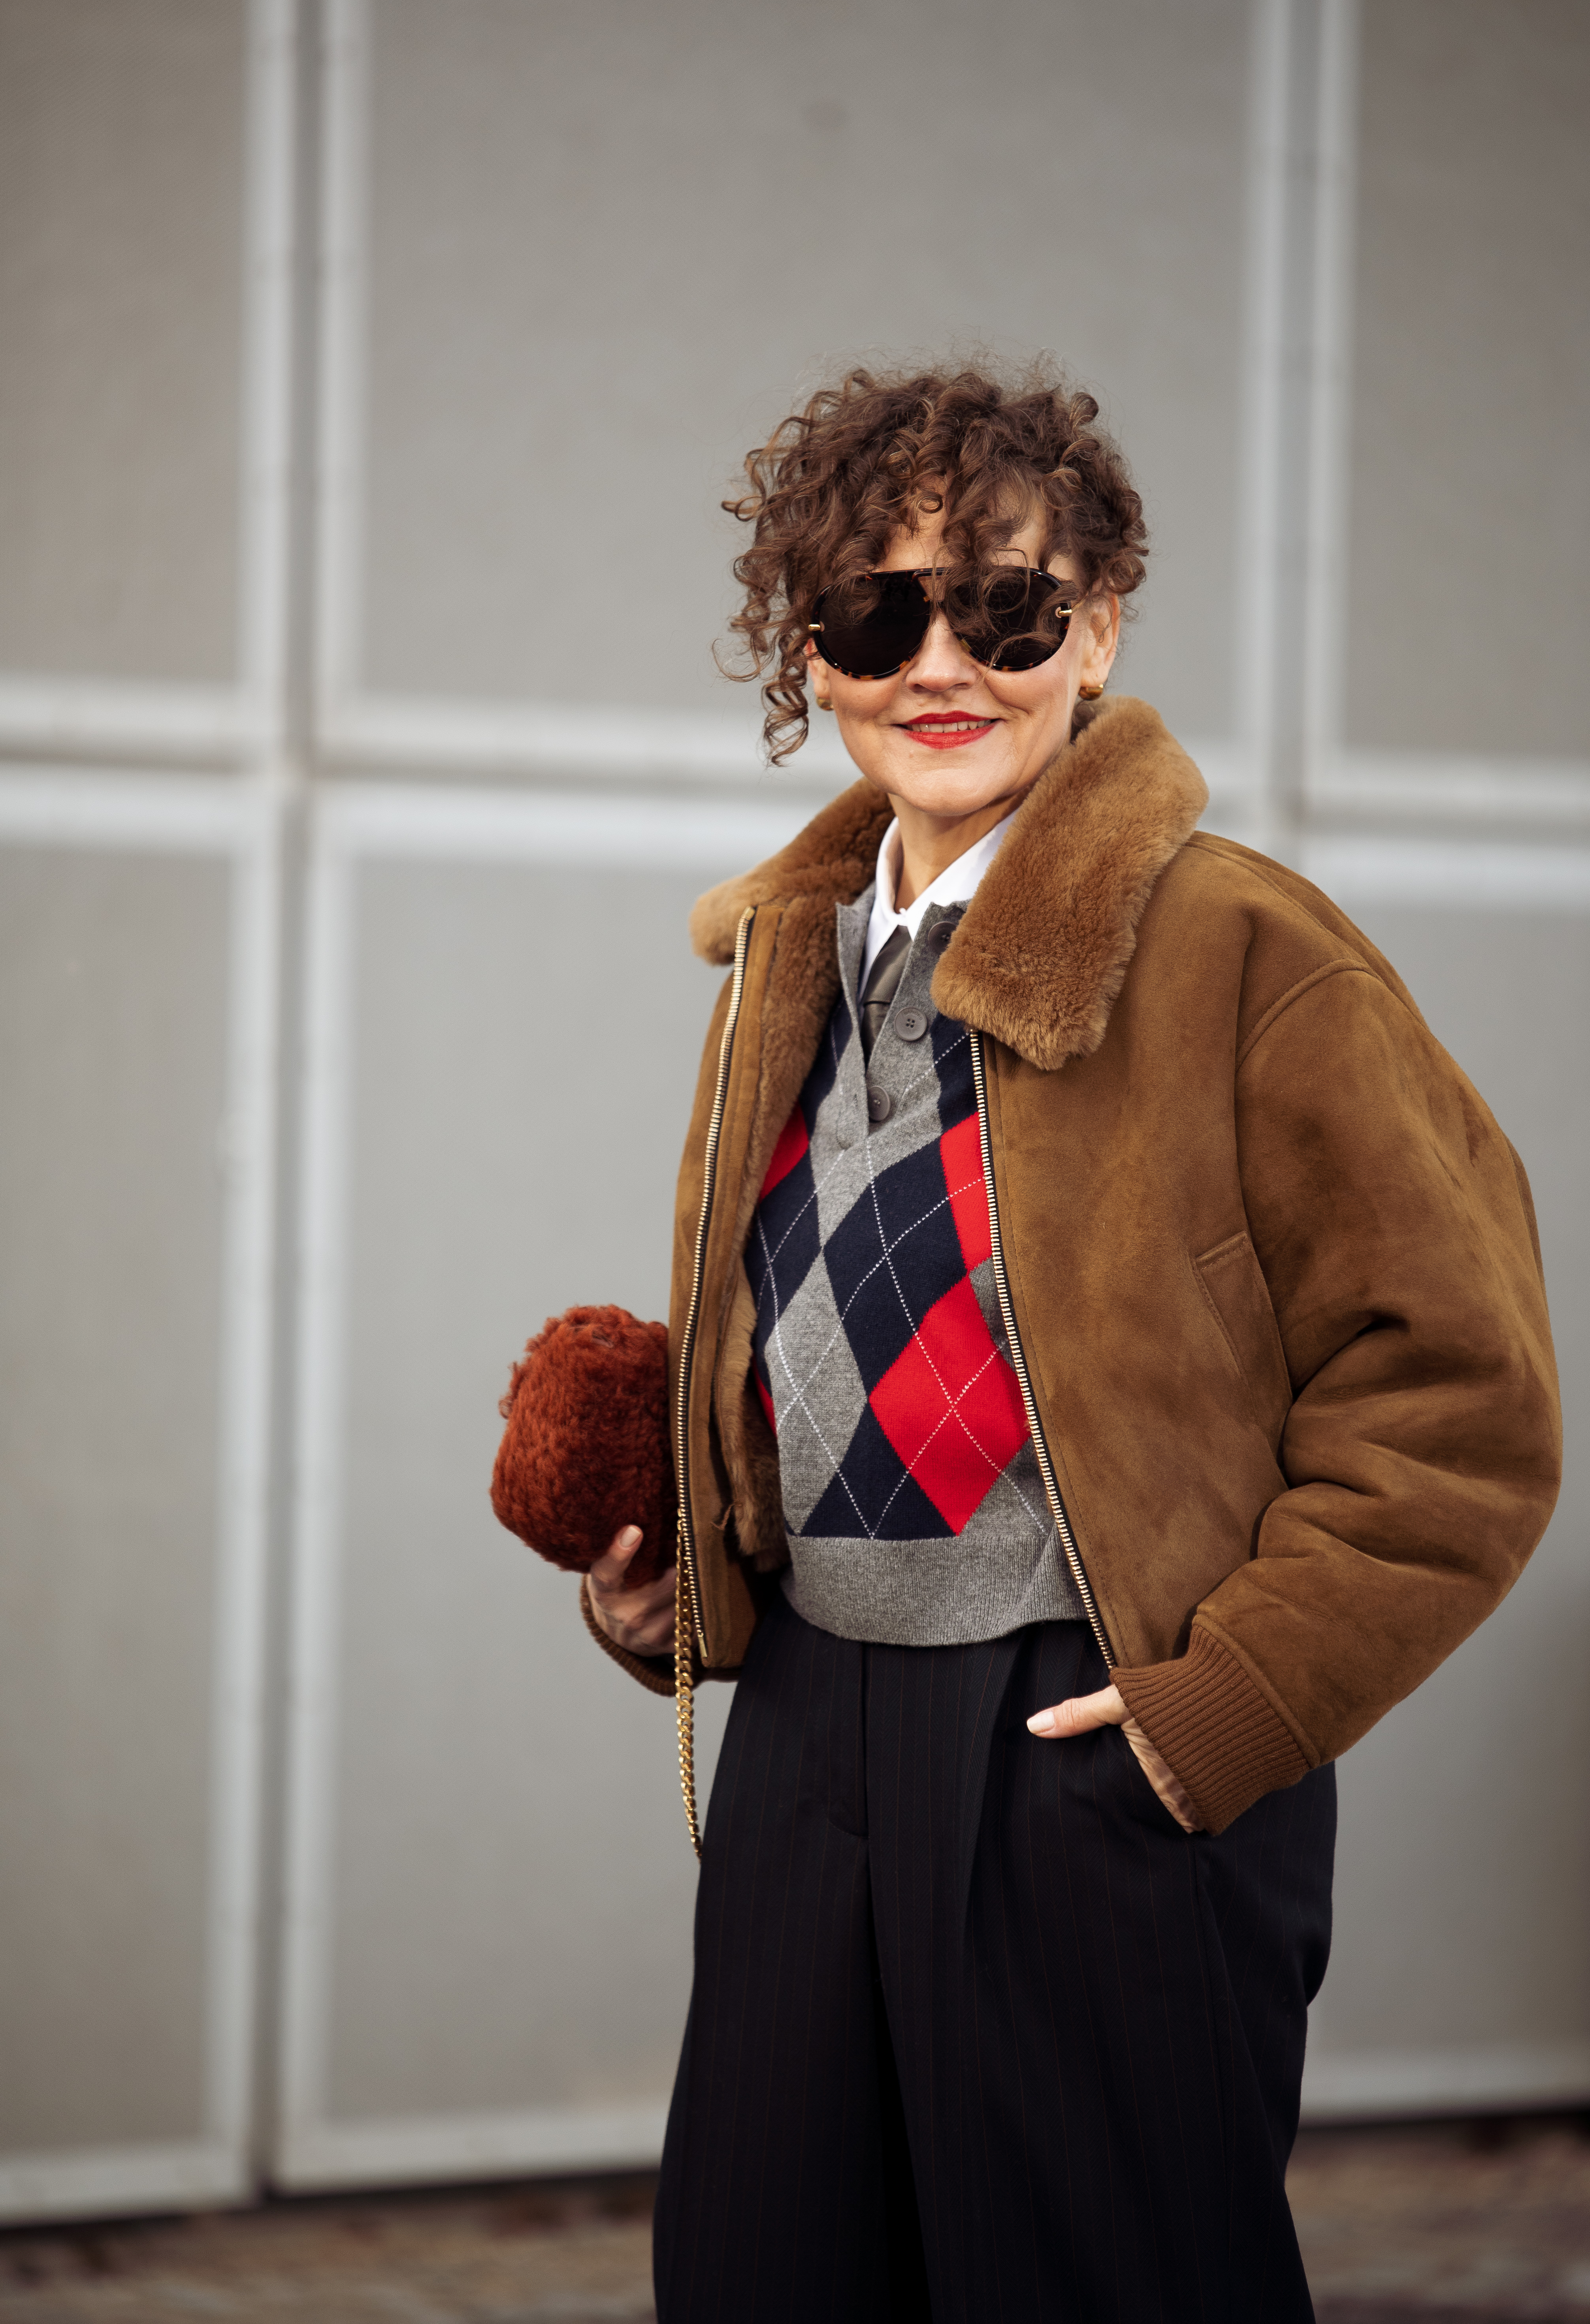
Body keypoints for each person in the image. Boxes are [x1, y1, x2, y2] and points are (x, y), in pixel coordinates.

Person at [579, 363, 1560, 2322]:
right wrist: (686, 1588)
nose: (941, 661)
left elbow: (1460, 1407)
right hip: (805, 1754)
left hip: (1086, 1749)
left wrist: (1224, 1719)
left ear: (1096, 626)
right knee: (762, 2280)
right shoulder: (788, 963)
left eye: (1005, 610)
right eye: (875, 613)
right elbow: (801, 1353)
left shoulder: (1248, 955)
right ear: (812, 655)